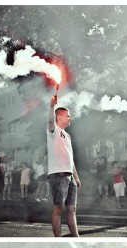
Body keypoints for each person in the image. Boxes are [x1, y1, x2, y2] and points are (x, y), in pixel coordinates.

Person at [47, 95, 82, 237]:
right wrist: (51, 107)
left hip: (70, 176)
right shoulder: (53, 130)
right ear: (59, 118)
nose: (70, 118)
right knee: (58, 209)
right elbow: (50, 121)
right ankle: (58, 240)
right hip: (58, 175)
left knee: (72, 209)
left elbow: (70, 157)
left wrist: (76, 177)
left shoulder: (67, 136)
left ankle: (76, 237)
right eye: (68, 116)